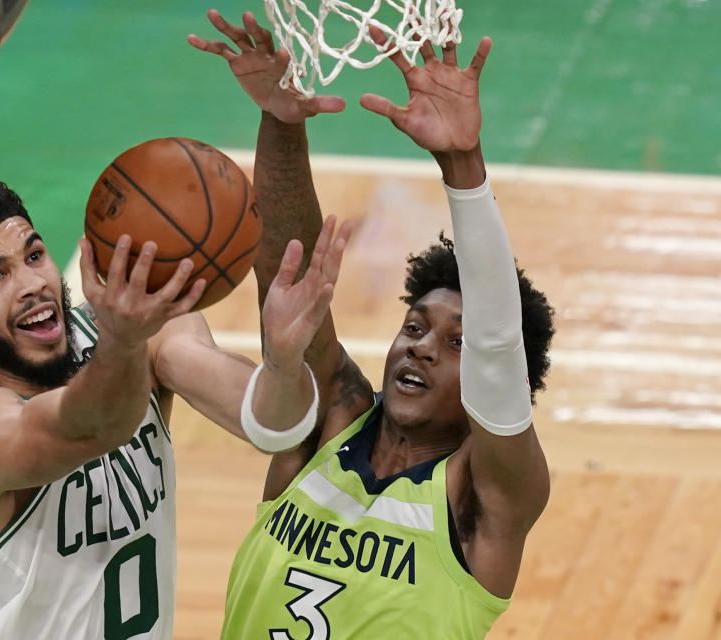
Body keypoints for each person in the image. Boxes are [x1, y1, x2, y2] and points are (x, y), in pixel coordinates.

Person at [190, 10, 556, 638]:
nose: (423, 350)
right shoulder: (329, 424)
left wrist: (463, 164)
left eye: (456, 341)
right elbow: (288, 276)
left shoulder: (484, 495)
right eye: (415, 327)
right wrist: (281, 122)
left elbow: (500, 346)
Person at [0, 177, 351, 639]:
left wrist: (282, 362)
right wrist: (125, 340)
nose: (32, 284)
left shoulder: (139, 334)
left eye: (34, 255)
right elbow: (91, 426)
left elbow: (274, 423)